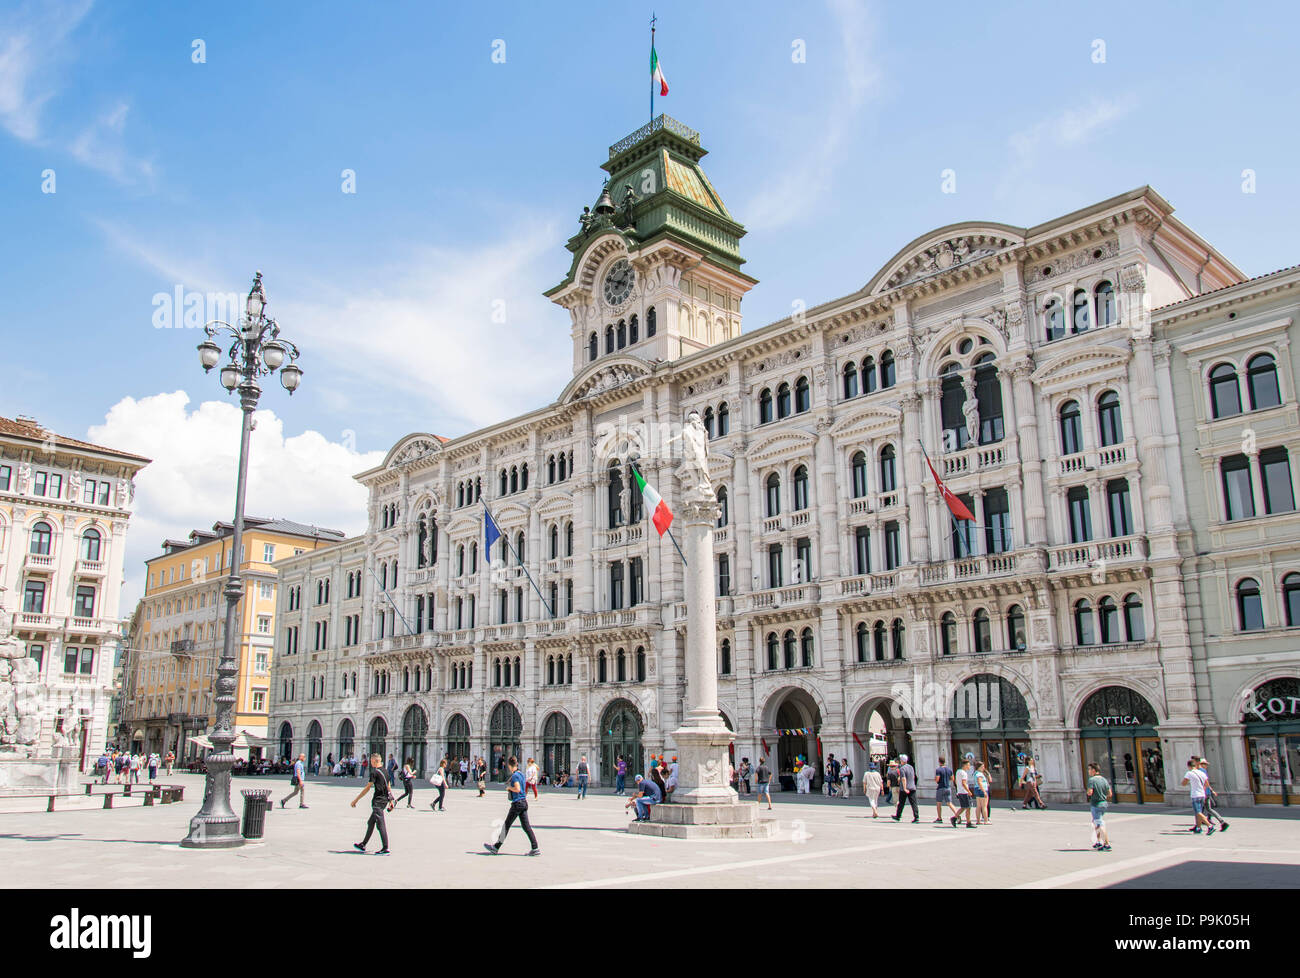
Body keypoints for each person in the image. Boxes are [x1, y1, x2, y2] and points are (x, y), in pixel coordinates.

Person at [484, 756, 540, 856]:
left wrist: (509, 787)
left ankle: (495, 847)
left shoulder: (515, 776)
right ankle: (535, 847)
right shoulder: (521, 774)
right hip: (523, 802)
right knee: (526, 826)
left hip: (517, 803)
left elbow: (517, 789)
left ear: (510, 766)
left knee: (506, 825)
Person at [351, 753, 394, 854]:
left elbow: (367, 788)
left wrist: (356, 800)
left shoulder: (374, 772)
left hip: (378, 801)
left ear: (375, 761)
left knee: (380, 824)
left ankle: (385, 848)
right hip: (384, 801)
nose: (370, 762)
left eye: (371, 761)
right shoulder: (386, 771)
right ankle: (363, 844)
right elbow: (389, 787)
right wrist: (391, 801)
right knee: (371, 822)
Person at [1182, 758, 1215, 835]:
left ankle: (1209, 826)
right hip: (1202, 794)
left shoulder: (1189, 773)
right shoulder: (1202, 773)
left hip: (1195, 795)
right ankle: (1198, 828)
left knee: (1198, 812)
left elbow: (1183, 783)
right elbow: (1207, 784)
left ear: (1189, 766)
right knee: (1198, 812)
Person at [1197, 758, 1229, 832]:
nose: (1206, 766)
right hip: (1205, 793)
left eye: (1206, 764)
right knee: (1203, 809)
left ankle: (1199, 826)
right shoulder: (1203, 771)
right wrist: (1211, 790)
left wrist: (1207, 791)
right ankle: (1199, 825)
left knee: (1202, 809)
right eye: (1205, 764)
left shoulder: (1200, 771)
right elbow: (1207, 782)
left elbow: (1205, 783)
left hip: (1203, 793)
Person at [1086, 762, 1112, 851]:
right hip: (1104, 803)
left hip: (1096, 804)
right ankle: (1099, 842)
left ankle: (1107, 843)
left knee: (1099, 824)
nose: (1088, 771)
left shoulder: (1092, 780)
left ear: (1093, 770)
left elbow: (1090, 792)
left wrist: (1089, 793)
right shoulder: (1104, 780)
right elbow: (1110, 793)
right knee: (1096, 822)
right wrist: (1102, 795)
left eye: (1089, 769)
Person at [891, 754, 919, 822]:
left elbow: (903, 778)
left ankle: (898, 816)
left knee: (901, 803)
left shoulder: (902, 768)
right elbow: (914, 776)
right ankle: (916, 816)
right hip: (912, 787)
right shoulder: (911, 767)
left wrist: (905, 788)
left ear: (902, 761)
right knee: (914, 803)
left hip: (905, 788)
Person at [933, 755, 959, 823]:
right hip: (948, 787)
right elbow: (952, 778)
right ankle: (957, 815)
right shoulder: (949, 769)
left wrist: (936, 780)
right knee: (949, 803)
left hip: (941, 787)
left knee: (939, 803)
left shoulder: (938, 770)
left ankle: (939, 818)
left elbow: (937, 779)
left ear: (939, 761)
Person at [951, 756, 975, 828]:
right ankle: (968, 822)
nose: (969, 766)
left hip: (960, 791)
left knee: (963, 807)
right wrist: (969, 791)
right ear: (964, 765)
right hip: (964, 792)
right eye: (968, 765)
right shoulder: (964, 773)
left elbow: (955, 781)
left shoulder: (958, 771)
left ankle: (954, 818)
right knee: (968, 807)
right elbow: (964, 783)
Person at [974, 761, 991, 825]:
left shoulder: (975, 773)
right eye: (982, 767)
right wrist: (984, 791)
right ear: (979, 767)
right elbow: (980, 782)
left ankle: (978, 820)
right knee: (984, 806)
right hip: (982, 789)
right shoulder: (979, 774)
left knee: (978, 806)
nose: (983, 768)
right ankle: (986, 820)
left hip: (977, 789)